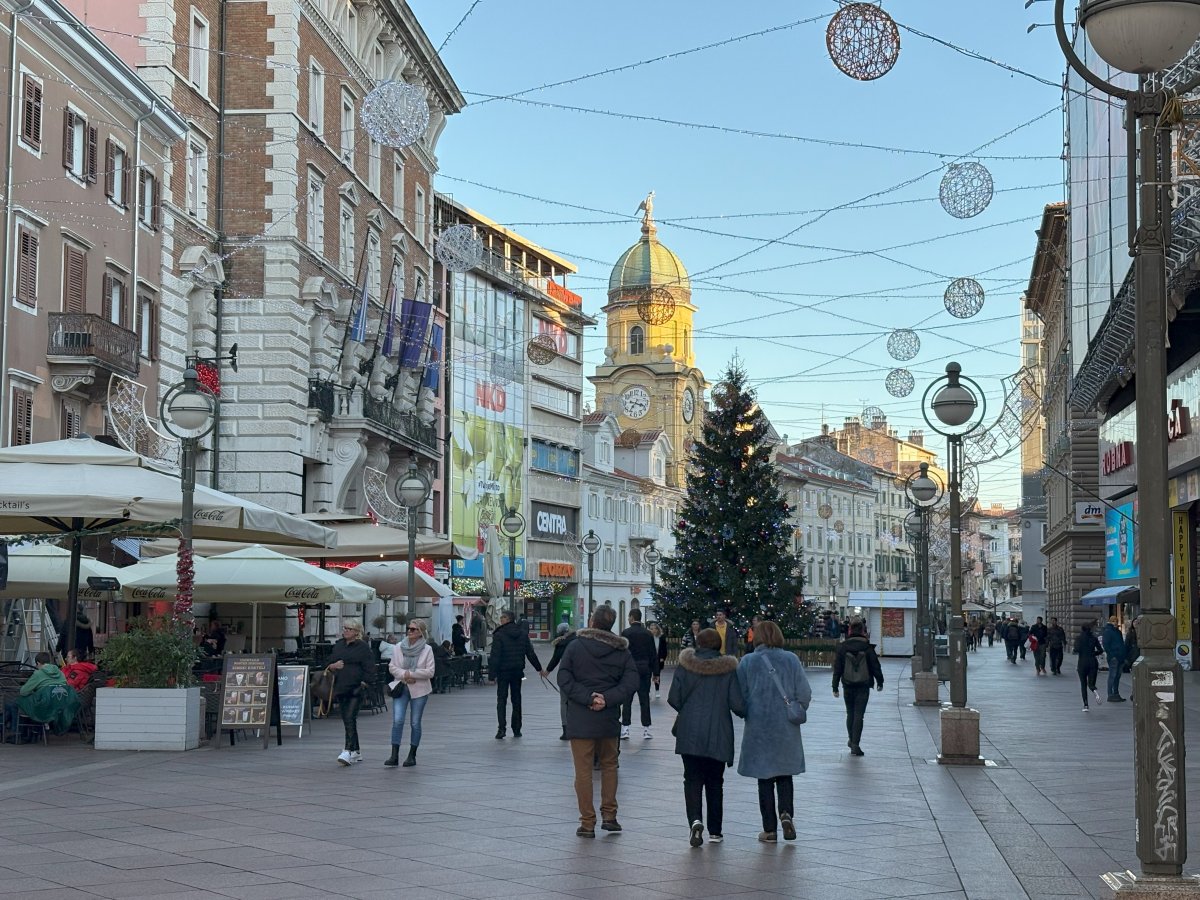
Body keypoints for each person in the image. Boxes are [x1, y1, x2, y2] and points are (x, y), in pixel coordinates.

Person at [557, 604, 639, 838]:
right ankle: (610, 816)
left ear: (592, 622)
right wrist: (608, 699)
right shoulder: (621, 651)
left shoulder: (575, 646)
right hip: (608, 717)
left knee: (583, 771)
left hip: (581, 717)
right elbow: (631, 681)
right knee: (610, 766)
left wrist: (588, 698)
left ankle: (587, 822)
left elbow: (564, 677)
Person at [669, 627, 745, 847]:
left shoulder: (685, 666)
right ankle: (715, 831)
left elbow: (674, 698)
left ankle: (695, 820)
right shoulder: (727, 669)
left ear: (698, 644)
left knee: (692, 779)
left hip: (689, 731)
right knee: (715, 782)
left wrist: (688, 710)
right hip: (718, 732)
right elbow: (737, 704)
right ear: (719, 644)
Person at [737, 621, 811, 844]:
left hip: (759, 727)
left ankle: (769, 829)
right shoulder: (791, 659)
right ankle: (786, 813)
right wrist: (797, 707)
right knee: (785, 774)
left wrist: (748, 711)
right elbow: (805, 692)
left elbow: (739, 695)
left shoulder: (747, 662)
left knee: (764, 778)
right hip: (785, 727)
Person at [488, 609, 548, 739]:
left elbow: (495, 656)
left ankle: (501, 729)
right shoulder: (522, 634)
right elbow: (530, 653)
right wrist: (539, 668)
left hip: (503, 672)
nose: (501, 619)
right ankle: (517, 729)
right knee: (516, 700)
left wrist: (492, 676)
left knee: (501, 700)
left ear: (508, 619)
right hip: (517, 671)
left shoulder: (499, 635)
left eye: (503, 617)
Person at [324, 619, 376, 766]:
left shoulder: (363, 647)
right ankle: (356, 751)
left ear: (356, 632)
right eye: (344, 628)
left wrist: (365, 683)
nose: (346, 631)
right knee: (348, 719)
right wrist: (333, 666)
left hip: (356, 687)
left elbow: (370, 667)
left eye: (349, 629)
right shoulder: (339, 645)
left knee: (349, 717)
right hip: (341, 686)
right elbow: (328, 661)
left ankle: (347, 750)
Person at [386, 618, 435, 769]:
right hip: (401, 687)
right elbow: (392, 667)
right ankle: (394, 755)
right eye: (409, 628)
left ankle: (412, 755)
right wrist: (405, 675)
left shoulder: (427, 649)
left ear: (421, 632)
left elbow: (430, 671)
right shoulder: (398, 647)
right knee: (398, 720)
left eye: (413, 629)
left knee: (415, 722)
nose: (409, 631)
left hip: (420, 689)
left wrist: (412, 674)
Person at [831, 617, 884, 756]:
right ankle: (855, 744)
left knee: (850, 713)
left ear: (850, 630)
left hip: (847, 684)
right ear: (862, 631)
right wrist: (880, 681)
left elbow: (837, 668)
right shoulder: (867, 647)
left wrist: (835, 686)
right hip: (863, 685)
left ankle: (851, 739)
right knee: (859, 715)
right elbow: (875, 666)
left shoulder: (843, 647)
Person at [620, 609, 658, 740]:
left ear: (631, 617)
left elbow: (622, 653)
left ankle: (625, 728)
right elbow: (653, 654)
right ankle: (646, 729)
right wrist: (656, 673)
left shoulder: (626, 633)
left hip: (630, 670)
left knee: (627, 700)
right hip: (644, 669)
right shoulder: (648, 634)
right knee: (644, 699)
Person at [547, 623, 577, 740]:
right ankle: (576, 728)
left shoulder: (560, 644)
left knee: (564, 703)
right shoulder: (578, 641)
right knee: (577, 702)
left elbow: (555, 659)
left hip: (564, 676)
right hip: (578, 676)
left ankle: (566, 730)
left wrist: (547, 671)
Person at [1074, 621, 1103, 712]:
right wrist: (1093, 653)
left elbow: (1076, 650)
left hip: (1082, 663)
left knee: (1083, 684)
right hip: (1093, 662)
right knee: (1091, 683)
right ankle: (1094, 690)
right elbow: (1100, 650)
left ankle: (1086, 705)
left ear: (1082, 629)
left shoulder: (1079, 638)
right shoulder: (1094, 638)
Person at [1101, 615, 1126, 702]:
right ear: (1110, 621)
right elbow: (1106, 644)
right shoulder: (1108, 631)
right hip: (1114, 657)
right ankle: (1111, 694)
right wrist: (1112, 655)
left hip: (1120, 657)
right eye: (1113, 621)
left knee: (1117, 676)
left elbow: (1121, 643)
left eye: (1116, 621)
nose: (1115, 622)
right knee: (1113, 675)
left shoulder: (1117, 632)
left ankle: (1116, 693)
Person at [650, 623, 668, 698]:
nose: (653, 630)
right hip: (650, 659)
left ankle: (657, 690)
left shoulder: (661, 637)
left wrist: (663, 657)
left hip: (658, 659)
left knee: (657, 675)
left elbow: (664, 649)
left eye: (655, 628)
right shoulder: (648, 637)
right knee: (648, 675)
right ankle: (648, 691)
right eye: (651, 629)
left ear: (657, 629)